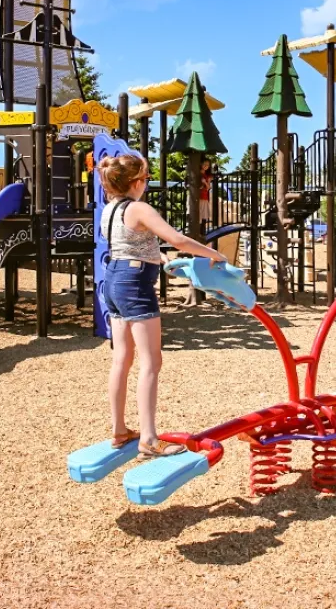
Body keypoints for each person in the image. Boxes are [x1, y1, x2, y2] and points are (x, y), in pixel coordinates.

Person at [99, 153, 226, 458]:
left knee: (121, 360)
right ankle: (149, 439)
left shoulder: (109, 209)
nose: (146, 184)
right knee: (151, 362)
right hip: (135, 284)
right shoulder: (139, 207)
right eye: (145, 178)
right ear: (136, 182)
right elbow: (178, 238)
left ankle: (119, 431)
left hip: (115, 278)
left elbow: (129, 243)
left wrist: (160, 257)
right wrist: (213, 254)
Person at [199, 157, 213, 228]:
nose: (206, 166)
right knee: (197, 214)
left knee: (202, 215)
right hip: (197, 195)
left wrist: (204, 182)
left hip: (204, 196)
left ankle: (201, 232)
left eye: (207, 165)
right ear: (201, 164)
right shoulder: (197, 172)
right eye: (204, 164)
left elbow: (208, 187)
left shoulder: (208, 176)